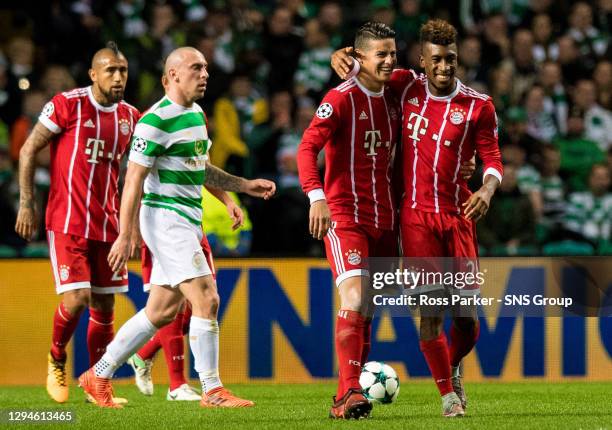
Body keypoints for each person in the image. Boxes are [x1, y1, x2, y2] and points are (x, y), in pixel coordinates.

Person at [78, 46, 275, 409]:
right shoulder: (155, 122)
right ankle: (212, 390)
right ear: (171, 76)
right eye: (195, 68)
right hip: (165, 220)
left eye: (205, 68)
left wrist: (238, 189)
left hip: (187, 217)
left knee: (161, 311)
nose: (205, 74)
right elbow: (133, 180)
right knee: (207, 298)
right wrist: (126, 233)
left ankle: (99, 374)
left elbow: (199, 166)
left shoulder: (196, 113)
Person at [331, 19, 503, 417]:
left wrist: (486, 189)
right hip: (414, 219)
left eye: (452, 59)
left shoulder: (479, 106)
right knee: (429, 312)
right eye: (437, 59)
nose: (445, 67)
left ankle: (455, 364)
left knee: (467, 321)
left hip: (458, 217)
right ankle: (448, 397)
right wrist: (340, 54)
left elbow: (493, 160)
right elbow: (362, 67)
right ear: (422, 61)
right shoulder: (405, 85)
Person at [15, 42, 140, 404]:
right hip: (67, 220)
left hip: (109, 225)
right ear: (93, 74)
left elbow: (138, 174)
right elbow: (27, 149)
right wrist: (27, 203)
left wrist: (131, 226)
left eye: (123, 71)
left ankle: (97, 385)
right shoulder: (67, 104)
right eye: (110, 71)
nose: (118, 77)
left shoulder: (131, 117)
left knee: (104, 306)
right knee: (78, 297)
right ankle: (56, 357)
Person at [298, 22, 402, 420]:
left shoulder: (395, 95)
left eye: (393, 52)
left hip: (384, 219)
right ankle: (348, 394)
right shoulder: (340, 98)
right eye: (381, 54)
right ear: (359, 58)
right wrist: (316, 197)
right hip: (345, 214)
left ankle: (350, 394)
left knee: (369, 308)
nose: (389, 60)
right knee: (355, 298)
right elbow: (307, 147)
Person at [128, 186, 244, 401]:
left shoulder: (201, 151)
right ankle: (177, 385)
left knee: (205, 304)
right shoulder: (156, 150)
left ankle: (142, 354)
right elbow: (136, 177)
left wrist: (228, 201)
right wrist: (131, 229)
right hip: (163, 224)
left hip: (193, 227)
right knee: (173, 307)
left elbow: (205, 169)